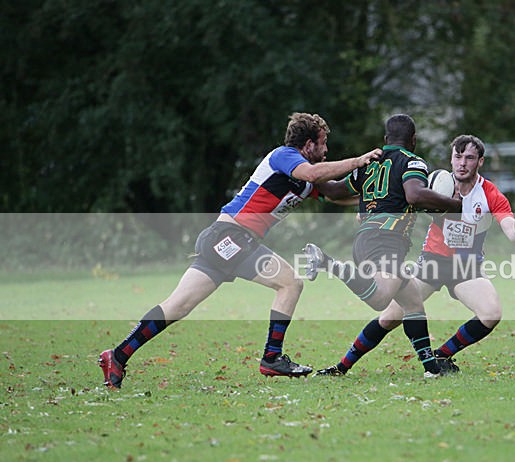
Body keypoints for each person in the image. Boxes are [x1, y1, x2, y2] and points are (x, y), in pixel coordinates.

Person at [98, 112, 382, 389]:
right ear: (308, 144)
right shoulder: (284, 156)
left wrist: (375, 193)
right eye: (322, 143)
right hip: (231, 237)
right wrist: (358, 160)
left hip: (222, 240)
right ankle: (272, 358)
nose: (326, 150)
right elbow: (313, 171)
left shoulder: (307, 180)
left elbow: (334, 191)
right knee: (290, 283)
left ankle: (118, 355)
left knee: (177, 306)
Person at [313, 134, 515, 377]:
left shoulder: (489, 193)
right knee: (390, 317)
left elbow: (509, 227)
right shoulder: (435, 183)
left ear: (480, 162)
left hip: (467, 267)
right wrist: (368, 209)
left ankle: (443, 354)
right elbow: (395, 196)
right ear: (451, 158)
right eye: (458, 157)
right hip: (432, 263)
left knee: (491, 314)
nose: (462, 163)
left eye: (469, 158)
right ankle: (342, 366)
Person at [303, 114, 461, 377]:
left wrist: (308, 169)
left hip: (369, 238)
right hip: (385, 240)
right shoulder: (412, 161)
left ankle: (430, 369)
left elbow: (333, 191)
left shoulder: (369, 163)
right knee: (380, 300)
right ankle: (326, 262)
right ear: (413, 140)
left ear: (386, 140)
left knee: (412, 305)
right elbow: (414, 194)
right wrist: (455, 205)